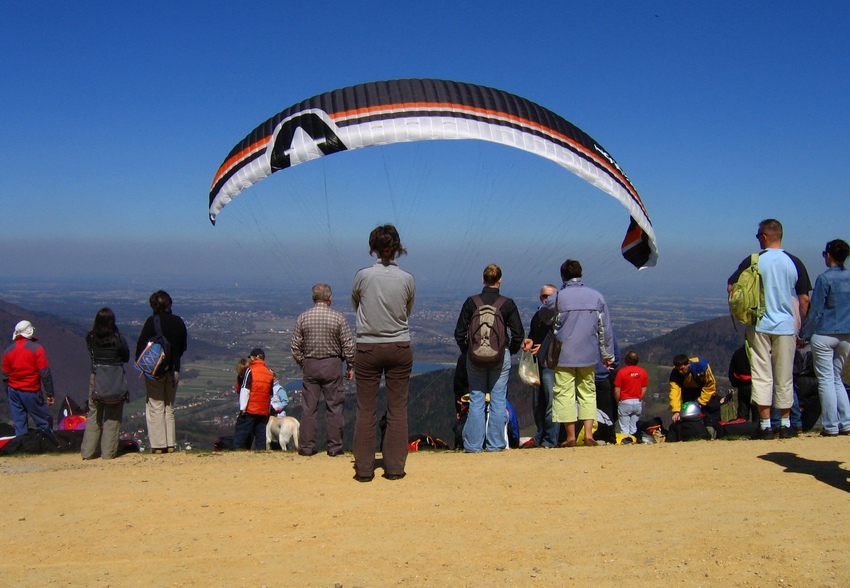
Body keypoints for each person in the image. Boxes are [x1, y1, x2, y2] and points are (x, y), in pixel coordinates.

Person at [728, 219, 811, 439]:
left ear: (764, 237)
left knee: (761, 374)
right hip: (785, 326)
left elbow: (732, 286)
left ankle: (765, 424)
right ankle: (785, 423)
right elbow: (804, 299)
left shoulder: (754, 260)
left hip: (758, 324)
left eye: (758, 236)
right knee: (784, 375)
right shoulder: (794, 262)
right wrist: (803, 329)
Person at [351, 224, 415, 482]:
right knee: (398, 409)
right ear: (398, 248)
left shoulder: (363, 276)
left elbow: (356, 304)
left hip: (367, 346)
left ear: (373, 248)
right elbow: (407, 310)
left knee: (366, 410)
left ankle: (365, 471)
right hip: (399, 346)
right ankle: (395, 468)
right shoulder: (407, 279)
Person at [539, 259, 615, 447]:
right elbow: (605, 329)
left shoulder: (558, 297)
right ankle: (589, 435)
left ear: (563, 276)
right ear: (580, 274)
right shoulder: (596, 296)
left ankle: (571, 437)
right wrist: (608, 355)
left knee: (564, 393)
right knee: (588, 392)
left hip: (563, 354)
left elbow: (544, 315)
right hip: (589, 353)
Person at [455, 264, 525, 452]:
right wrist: (510, 350)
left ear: (483, 279)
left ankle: (473, 445)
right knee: (498, 400)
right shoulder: (507, 303)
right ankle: (495, 445)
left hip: (475, 357)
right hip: (501, 356)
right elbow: (518, 333)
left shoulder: (472, 302)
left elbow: (459, 332)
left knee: (476, 399)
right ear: (500, 280)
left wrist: (468, 351)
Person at [290, 283, 355, 456]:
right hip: (332, 365)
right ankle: (334, 448)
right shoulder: (338, 318)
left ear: (314, 298)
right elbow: (348, 345)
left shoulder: (303, 317)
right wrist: (350, 366)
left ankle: (306, 447)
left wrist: (304, 363)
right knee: (334, 408)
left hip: (310, 365)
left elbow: (295, 346)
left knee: (309, 409)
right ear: (330, 298)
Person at [799, 239, 850, 436]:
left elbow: (816, 311)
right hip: (846, 335)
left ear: (828, 255)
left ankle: (830, 425)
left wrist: (804, 335)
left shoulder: (825, 279)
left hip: (825, 334)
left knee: (826, 380)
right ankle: (846, 422)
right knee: (837, 379)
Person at [135, 290, 188, 454]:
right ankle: (170, 444)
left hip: (154, 370)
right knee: (169, 406)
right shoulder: (178, 321)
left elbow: (140, 347)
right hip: (173, 369)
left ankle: (159, 445)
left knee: (156, 405)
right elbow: (183, 346)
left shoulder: (152, 322)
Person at [81, 308, 130, 460]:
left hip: (96, 379)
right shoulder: (119, 339)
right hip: (115, 379)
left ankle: (88, 452)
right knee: (112, 417)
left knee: (94, 415)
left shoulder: (91, 338)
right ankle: (108, 453)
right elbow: (126, 357)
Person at [2, 320, 56, 442]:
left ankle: (21, 447)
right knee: (43, 421)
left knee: (20, 423)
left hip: (13, 391)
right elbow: (45, 373)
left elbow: (5, 375)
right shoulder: (37, 349)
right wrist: (50, 393)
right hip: (31, 390)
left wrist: (9, 393)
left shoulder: (8, 351)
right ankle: (47, 443)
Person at [520, 284, 560, 448]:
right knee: (538, 404)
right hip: (537, 364)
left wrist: (542, 348)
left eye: (550, 296)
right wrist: (529, 342)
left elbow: (559, 340)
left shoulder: (559, 317)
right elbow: (533, 335)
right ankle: (540, 436)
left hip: (551, 364)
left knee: (551, 402)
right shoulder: (538, 316)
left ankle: (550, 439)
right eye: (544, 296)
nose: (547, 299)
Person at [233, 348, 275, 449]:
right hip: (263, 409)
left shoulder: (250, 370)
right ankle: (260, 454)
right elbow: (270, 393)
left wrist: (243, 408)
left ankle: (236, 451)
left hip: (251, 408)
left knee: (242, 431)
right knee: (260, 433)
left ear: (252, 358)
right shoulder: (269, 374)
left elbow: (245, 389)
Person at [668, 354, 719, 428]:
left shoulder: (701, 366)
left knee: (710, 415)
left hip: (705, 391)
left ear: (688, 364)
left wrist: (700, 402)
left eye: (682, 369)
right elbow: (674, 392)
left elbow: (710, 385)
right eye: (678, 369)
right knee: (689, 416)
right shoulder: (675, 373)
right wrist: (676, 411)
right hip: (688, 392)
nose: (680, 372)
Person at [614, 350, 648, 436]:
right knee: (634, 428)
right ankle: (634, 443)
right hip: (637, 401)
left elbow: (617, 390)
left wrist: (618, 401)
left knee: (624, 428)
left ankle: (626, 443)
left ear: (626, 360)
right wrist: (640, 397)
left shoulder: (622, 372)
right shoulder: (642, 372)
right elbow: (644, 387)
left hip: (625, 400)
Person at [728, 344, 755, 421]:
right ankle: (757, 428)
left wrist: (736, 383)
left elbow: (732, 372)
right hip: (755, 385)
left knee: (743, 411)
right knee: (757, 412)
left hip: (742, 386)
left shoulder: (737, 353)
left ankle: (742, 428)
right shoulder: (757, 352)